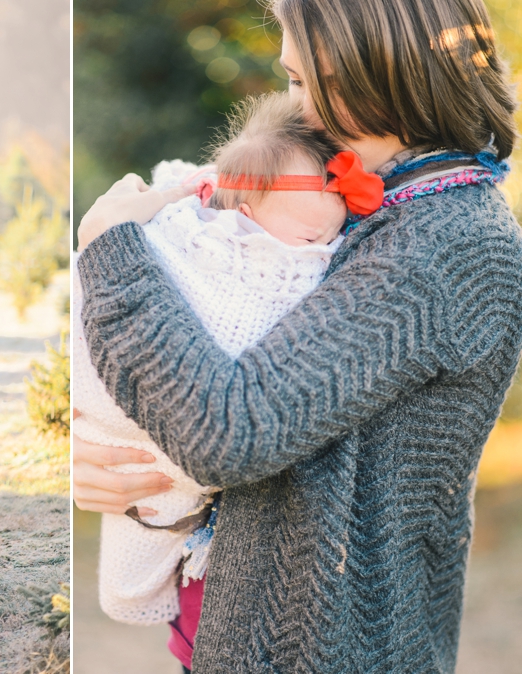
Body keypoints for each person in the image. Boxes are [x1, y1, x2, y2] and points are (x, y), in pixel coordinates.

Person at [72, 0, 522, 672]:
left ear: (389, 72)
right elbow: (263, 405)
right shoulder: (386, 203)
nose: (300, 110)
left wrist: (109, 248)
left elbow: (231, 428)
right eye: (293, 81)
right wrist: (132, 469)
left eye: (314, 84)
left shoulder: (443, 242)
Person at [75, 92, 386, 627]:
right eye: (313, 238)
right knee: (145, 509)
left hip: (244, 554)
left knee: (156, 512)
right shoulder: (199, 227)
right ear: (244, 213)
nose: (324, 250)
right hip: (141, 425)